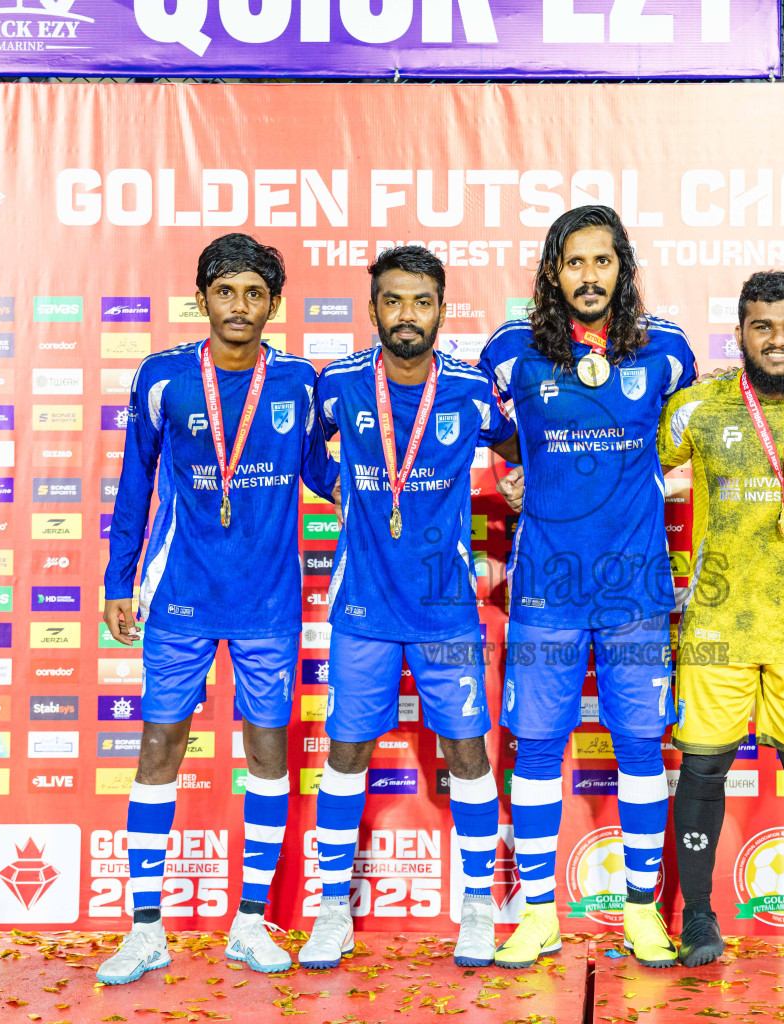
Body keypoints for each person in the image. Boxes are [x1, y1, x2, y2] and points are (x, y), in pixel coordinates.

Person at [98, 234, 332, 984]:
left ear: (274, 304)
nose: (240, 306)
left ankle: (251, 922)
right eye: (225, 291)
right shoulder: (163, 377)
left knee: (266, 754)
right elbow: (135, 481)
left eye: (255, 293)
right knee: (160, 746)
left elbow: (328, 472)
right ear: (201, 298)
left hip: (268, 602)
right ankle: (144, 931)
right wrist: (115, 577)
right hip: (179, 598)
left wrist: (396, 480)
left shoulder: (299, 381)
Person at [480, 205, 697, 969]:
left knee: (641, 742)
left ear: (622, 269)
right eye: (574, 262)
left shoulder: (667, 349)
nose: (588, 276)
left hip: (635, 585)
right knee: (537, 743)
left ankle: (641, 913)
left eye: (602, 262)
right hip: (545, 587)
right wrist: (513, 470)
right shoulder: (509, 352)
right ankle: (538, 916)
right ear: (551, 272)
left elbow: (683, 432)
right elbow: (492, 429)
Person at [298, 246, 521, 970]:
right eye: (392, 301)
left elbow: (528, 445)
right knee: (346, 753)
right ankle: (331, 910)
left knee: (466, 755)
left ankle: (478, 909)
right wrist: (357, 493)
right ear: (373, 312)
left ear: (441, 310)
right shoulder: (338, 385)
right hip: (362, 605)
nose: (407, 316)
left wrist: (522, 488)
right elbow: (306, 455)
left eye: (421, 302)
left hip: (444, 607)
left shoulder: (471, 389)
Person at [657, 271, 784, 967]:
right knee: (702, 771)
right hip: (717, 627)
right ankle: (696, 921)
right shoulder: (696, 409)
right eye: (761, 326)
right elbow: (632, 474)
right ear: (739, 332)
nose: (777, 341)